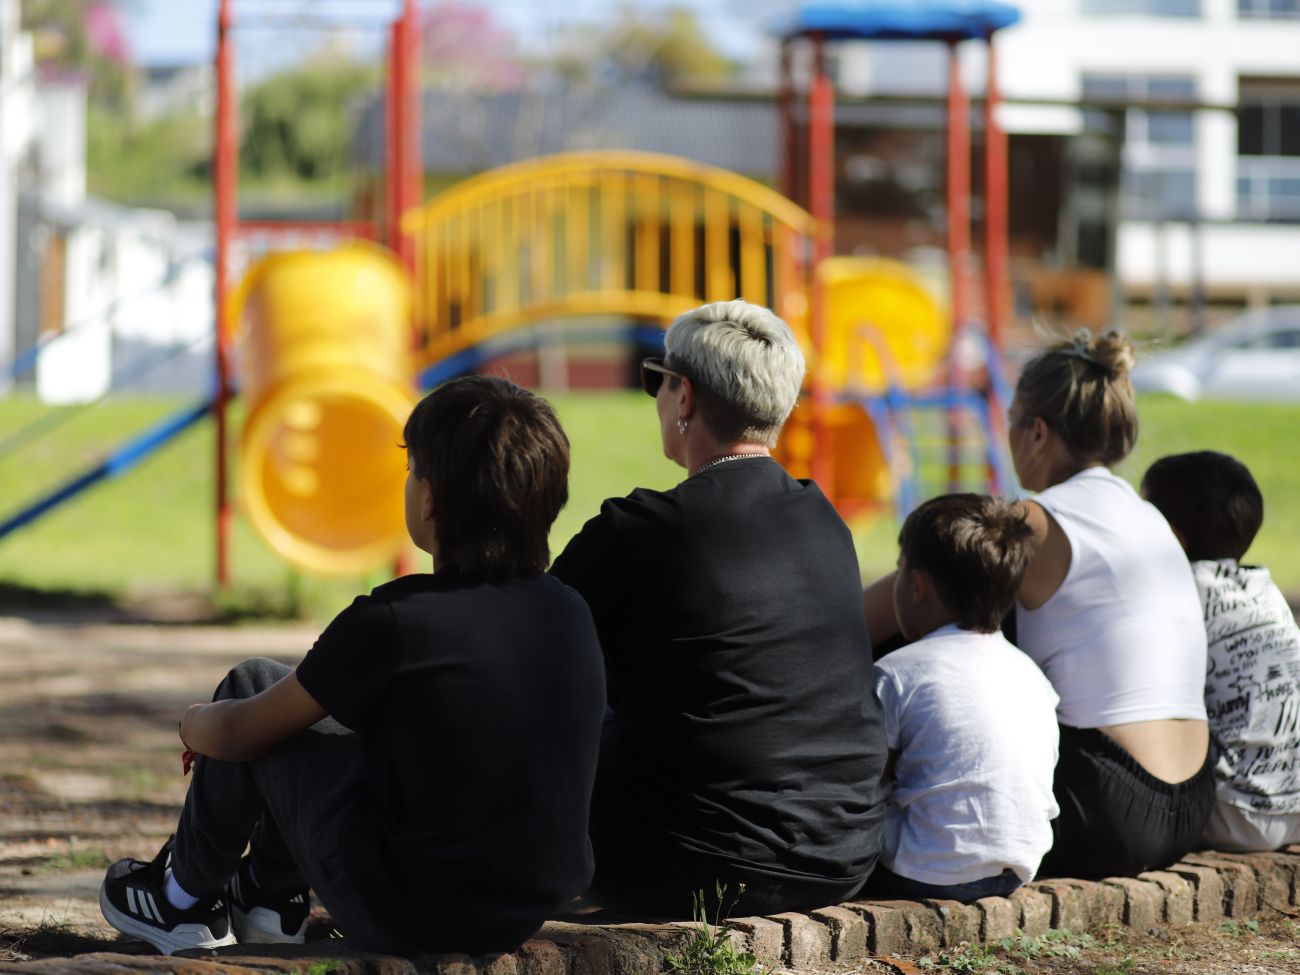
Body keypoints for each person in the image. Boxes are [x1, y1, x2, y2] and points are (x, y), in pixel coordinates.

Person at [99, 376, 606, 956]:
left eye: (413, 469)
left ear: (431, 498)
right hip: (525, 905)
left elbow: (241, 731)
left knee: (253, 685)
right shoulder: (569, 612)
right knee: (347, 732)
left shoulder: (395, 620)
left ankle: (180, 898)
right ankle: (267, 898)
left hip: (407, 907)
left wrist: (195, 724)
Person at [551, 299, 887, 918]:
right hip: (845, 856)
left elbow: (525, 650)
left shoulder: (641, 529)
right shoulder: (826, 522)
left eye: (658, 381)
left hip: (696, 863)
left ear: (685, 397)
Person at [866, 329, 1212, 880]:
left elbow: (885, 610)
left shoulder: (1033, 522)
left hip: (1111, 806)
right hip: (1193, 800)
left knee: (933, 628)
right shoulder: (1149, 520)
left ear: (1038, 433)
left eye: (1010, 423)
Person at [867, 494, 1059, 903]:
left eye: (899, 570)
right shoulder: (1032, 675)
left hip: (921, 872)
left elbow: (867, 781)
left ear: (917, 586)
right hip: (1017, 869)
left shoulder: (899, 671)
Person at [1142, 451, 1300, 851]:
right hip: (1294, 805)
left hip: (1231, 813)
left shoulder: (1175, 595)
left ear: (1173, 536)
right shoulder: (1264, 589)